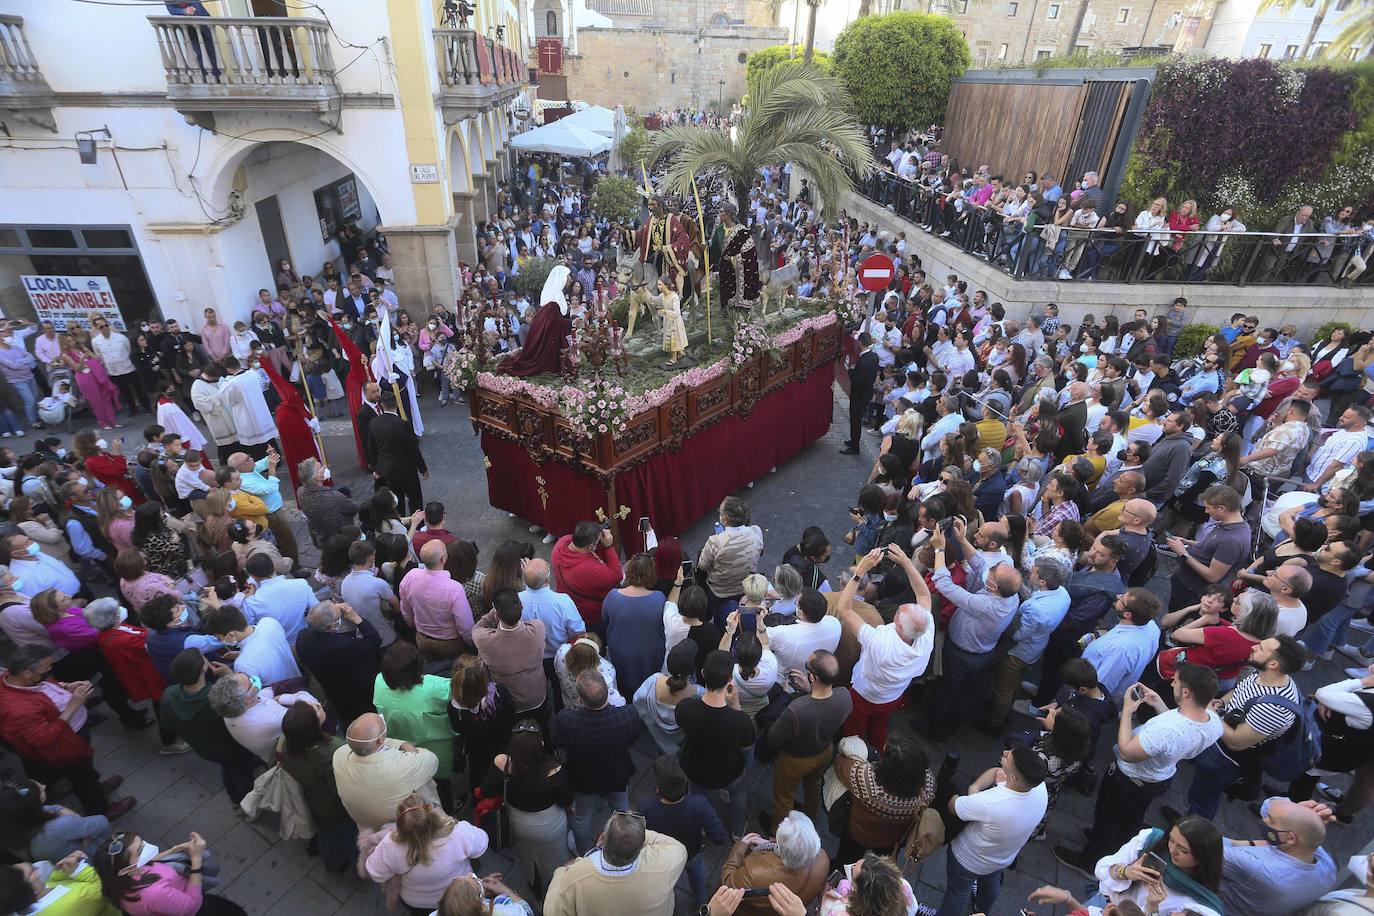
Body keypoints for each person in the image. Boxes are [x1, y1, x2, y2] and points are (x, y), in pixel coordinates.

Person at [1055, 662, 1222, 872]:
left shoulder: (1165, 730)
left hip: (1129, 781)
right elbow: (1181, 730)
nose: (1172, 684)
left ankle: (1091, 862)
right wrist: (1158, 703)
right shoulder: (1213, 720)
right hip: (1159, 778)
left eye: (1176, 681)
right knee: (1131, 819)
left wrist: (1126, 711)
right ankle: (1115, 846)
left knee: (1107, 818)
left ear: (1186, 692)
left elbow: (1127, 751)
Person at [0, 645, 137, 819]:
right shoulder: (18, 709)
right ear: (27, 673)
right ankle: (100, 809)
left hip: (68, 738)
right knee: (82, 777)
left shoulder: (12, 677)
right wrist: (72, 707)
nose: (50, 670)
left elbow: (43, 687)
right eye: (46, 668)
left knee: (85, 772)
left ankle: (96, 787)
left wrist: (65, 687)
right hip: (64, 746)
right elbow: (44, 738)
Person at [1182, 635, 1306, 818]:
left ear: (1274, 664)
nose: (1255, 647)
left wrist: (1210, 712)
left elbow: (1235, 742)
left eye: (1262, 648)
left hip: (1224, 757)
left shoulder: (1272, 708)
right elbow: (1239, 691)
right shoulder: (1264, 672)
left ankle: (1190, 833)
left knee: (1202, 800)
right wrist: (1221, 702)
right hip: (1217, 733)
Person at [936, 743, 1048, 916]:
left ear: (1014, 778)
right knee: (990, 883)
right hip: (1002, 857)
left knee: (957, 894)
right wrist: (976, 794)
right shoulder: (1040, 788)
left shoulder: (991, 802)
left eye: (1007, 757)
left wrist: (972, 790)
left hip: (968, 859)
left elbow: (954, 806)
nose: (1003, 753)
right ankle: (982, 910)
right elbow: (997, 772)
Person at [839, 547, 934, 747]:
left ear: (898, 625)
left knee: (854, 728)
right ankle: (880, 749)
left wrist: (859, 572)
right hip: (893, 695)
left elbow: (844, 609)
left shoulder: (877, 641)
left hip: (864, 694)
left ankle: (852, 755)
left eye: (899, 612)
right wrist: (907, 563)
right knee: (881, 724)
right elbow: (924, 597)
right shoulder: (926, 631)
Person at [552, 669, 641, 853]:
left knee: (582, 816)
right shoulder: (628, 715)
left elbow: (560, 742)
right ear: (607, 692)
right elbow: (634, 737)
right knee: (622, 811)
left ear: (580, 699)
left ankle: (583, 850)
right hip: (617, 773)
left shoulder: (566, 721)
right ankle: (624, 845)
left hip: (584, 777)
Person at [481, 719, 573, 896]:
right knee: (556, 856)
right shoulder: (554, 769)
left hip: (517, 822)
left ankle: (534, 885)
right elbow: (565, 799)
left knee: (526, 854)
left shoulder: (503, 762)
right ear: (541, 744)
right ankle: (558, 887)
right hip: (550, 825)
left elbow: (486, 790)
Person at [160, 648, 260, 806]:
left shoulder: (169, 694)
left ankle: (238, 794)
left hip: (204, 748)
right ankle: (244, 802)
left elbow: (166, 724)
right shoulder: (217, 700)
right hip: (231, 747)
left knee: (229, 767)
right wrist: (229, 675)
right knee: (240, 772)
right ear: (203, 668)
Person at [676, 648, 757, 838]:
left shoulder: (686, 707)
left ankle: (700, 828)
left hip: (695, 767)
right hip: (730, 771)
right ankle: (738, 833)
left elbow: (681, 726)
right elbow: (747, 747)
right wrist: (736, 707)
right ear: (730, 679)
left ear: (703, 673)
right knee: (738, 796)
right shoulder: (740, 721)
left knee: (697, 797)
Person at [542, 810, 686, 916]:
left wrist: (560, 872)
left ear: (603, 838)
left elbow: (551, 912)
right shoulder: (662, 863)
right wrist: (632, 835)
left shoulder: (574, 877)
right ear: (640, 845)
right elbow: (677, 847)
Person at [365, 793, 490, 915]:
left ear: (400, 825)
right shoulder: (457, 832)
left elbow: (376, 873)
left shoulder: (390, 845)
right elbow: (482, 843)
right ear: (432, 814)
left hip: (418, 903)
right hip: (460, 895)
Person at [766, 649, 851, 826]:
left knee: (783, 797)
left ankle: (779, 832)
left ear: (812, 678)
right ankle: (810, 815)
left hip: (794, 760)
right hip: (824, 752)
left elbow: (773, 738)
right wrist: (809, 691)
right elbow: (822, 706)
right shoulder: (845, 696)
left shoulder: (796, 709)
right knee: (813, 785)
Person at [374, 641, 460, 812]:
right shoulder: (433, 687)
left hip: (402, 751)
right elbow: (459, 690)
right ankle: (448, 814)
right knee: (441, 788)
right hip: (436, 750)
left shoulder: (379, 682)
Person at [1219, 797, 1339, 915]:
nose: (1264, 820)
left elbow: (1204, 844)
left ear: (1291, 838)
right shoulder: (1328, 867)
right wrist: (1299, 812)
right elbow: (1268, 806)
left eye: (1271, 820)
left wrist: (1241, 844)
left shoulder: (1258, 866)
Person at [278, 701, 360, 874]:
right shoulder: (332, 753)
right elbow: (341, 791)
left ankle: (334, 863)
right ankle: (360, 865)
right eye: (316, 709)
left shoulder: (287, 748)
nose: (318, 705)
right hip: (337, 810)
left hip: (315, 804)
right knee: (351, 838)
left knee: (327, 835)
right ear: (313, 727)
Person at [1085, 816, 1227, 915]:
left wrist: (1153, 908)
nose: (1172, 850)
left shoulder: (1200, 903)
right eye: (1171, 840)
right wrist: (1125, 872)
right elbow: (1101, 868)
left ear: (1202, 858)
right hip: (1102, 903)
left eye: (1183, 850)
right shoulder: (1151, 840)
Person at [831, 732, 934, 864]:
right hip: (893, 839)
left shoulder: (867, 782)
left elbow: (841, 764)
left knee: (847, 859)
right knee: (882, 863)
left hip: (859, 833)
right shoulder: (927, 788)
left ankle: (841, 874)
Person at [640, 755, 727, 909]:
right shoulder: (699, 804)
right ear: (685, 782)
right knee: (697, 878)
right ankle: (702, 903)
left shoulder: (646, 807)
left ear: (658, 788)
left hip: (664, 858)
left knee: (666, 885)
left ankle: (671, 906)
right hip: (692, 853)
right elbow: (720, 837)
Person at [92, 831, 247, 916]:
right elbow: (192, 905)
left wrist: (175, 850)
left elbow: (149, 861)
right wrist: (196, 858)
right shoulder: (154, 893)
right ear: (126, 870)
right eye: (140, 850)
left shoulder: (118, 879)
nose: (147, 847)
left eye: (142, 842)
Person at [333, 712, 441, 831]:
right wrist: (407, 746)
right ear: (379, 741)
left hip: (369, 830)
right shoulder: (401, 766)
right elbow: (432, 760)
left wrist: (394, 743)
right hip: (409, 829)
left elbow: (364, 743)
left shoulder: (339, 755)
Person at [296, 599, 384, 729]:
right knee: (366, 720)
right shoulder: (343, 646)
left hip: (332, 690)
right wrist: (356, 619)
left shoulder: (303, 637)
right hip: (358, 690)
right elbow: (374, 641)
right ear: (332, 626)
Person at [720, 812, 829, 915]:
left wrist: (740, 847)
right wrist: (772, 845)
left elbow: (728, 884)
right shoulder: (823, 859)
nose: (785, 819)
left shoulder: (754, 873)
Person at [209, 670, 320, 764]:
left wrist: (274, 697)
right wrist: (281, 698)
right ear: (248, 699)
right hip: (294, 754)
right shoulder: (270, 720)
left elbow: (263, 694)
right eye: (251, 681)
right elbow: (311, 707)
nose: (253, 678)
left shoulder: (230, 709)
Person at [472, 589, 549, 725]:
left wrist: (492, 614)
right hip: (537, 697)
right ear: (522, 607)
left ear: (497, 614)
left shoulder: (484, 640)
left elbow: (477, 628)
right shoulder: (538, 629)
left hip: (508, 702)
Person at [602, 552, 670, 698]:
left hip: (621, 652)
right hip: (649, 654)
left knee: (624, 687)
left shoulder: (612, 596)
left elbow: (605, 621)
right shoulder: (659, 598)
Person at [0, 777, 111, 863]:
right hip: (92, 858)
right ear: (33, 807)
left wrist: (63, 812)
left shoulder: (11, 830)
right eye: (41, 790)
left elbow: (53, 809)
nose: (44, 786)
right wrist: (73, 819)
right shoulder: (58, 827)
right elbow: (101, 822)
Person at [401, 539, 476, 663]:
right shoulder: (454, 588)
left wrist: (414, 626)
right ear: (443, 559)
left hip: (422, 638)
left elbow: (406, 610)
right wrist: (471, 643)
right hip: (451, 644)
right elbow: (465, 626)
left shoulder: (410, 576)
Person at [1082, 587, 1164, 699]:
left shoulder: (1120, 650)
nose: (1118, 596)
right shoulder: (1152, 627)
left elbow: (1100, 687)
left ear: (1127, 615)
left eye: (1122, 600)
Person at [697, 497, 765, 625]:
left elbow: (702, 566)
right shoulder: (756, 533)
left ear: (724, 519)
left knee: (721, 618)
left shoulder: (716, 541)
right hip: (743, 586)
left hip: (719, 592)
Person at [517, 557, 586, 684]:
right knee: (559, 687)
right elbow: (579, 630)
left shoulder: (516, 601)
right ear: (548, 579)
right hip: (558, 656)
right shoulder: (563, 601)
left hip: (531, 657)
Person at [498, 264, 573, 377]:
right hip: (550, 335)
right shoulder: (554, 297)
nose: (570, 279)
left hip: (551, 333)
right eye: (568, 276)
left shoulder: (555, 294)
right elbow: (555, 321)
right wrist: (571, 323)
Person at [551, 520, 624, 634]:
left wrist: (595, 532)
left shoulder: (562, 542)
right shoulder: (589, 569)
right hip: (592, 617)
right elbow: (617, 575)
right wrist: (608, 546)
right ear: (590, 546)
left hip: (572, 604)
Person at [632, 639, 702, 754]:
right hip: (683, 747)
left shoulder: (653, 681)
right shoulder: (699, 694)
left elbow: (637, 701)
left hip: (658, 741)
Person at [367, 389, 428, 515]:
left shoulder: (374, 423)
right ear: (396, 404)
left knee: (396, 500)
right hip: (406, 469)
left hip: (386, 470)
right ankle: (417, 526)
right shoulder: (402, 425)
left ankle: (400, 522)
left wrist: (375, 468)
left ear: (382, 405)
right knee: (414, 498)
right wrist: (423, 468)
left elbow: (371, 448)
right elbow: (413, 449)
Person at [766, 588, 842, 687]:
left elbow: (761, 638)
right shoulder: (835, 624)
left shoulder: (783, 634)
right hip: (812, 680)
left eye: (797, 604)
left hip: (782, 683)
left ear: (802, 613)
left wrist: (759, 620)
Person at [241, 552, 314, 646]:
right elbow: (316, 608)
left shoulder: (251, 602)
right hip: (304, 638)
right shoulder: (301, 584)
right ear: (274, 566)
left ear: (253, 576)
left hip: (276, 645)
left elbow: (249, 631)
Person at [842, 333, 879, 454]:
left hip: (859, 394)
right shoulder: (874, 357)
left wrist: (851, 371)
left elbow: (857, 380)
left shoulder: (863, 361)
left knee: (855, 420)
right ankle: (853, 441)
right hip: (866, 392)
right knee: (856, 419)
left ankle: (855, 446)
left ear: (861, 343)